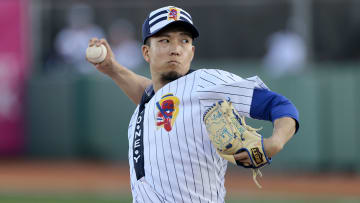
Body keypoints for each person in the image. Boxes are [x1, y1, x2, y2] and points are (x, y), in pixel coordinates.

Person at [87, 6, 299, 203]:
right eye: (165, 40)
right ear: (146, 52)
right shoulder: (150, 102)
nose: (176, 49)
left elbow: (279, 105)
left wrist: (276, 141)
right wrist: (112, 69)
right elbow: (153, 94)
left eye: (184, 41)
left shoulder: (207, 82)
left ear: (192, 52)